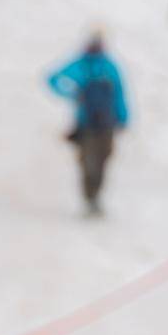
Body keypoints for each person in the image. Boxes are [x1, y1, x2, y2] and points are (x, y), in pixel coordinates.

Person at [46, 32, 129, 215]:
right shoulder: (81, 64)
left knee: (103, 159)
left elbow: (120, 94)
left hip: (107, 123)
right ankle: (90, 199)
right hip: (87, 124)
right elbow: (52, 78)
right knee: (88, 162)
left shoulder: (109, 66)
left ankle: (95, 197)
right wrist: (72, 92)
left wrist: (123, 117)